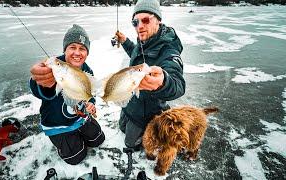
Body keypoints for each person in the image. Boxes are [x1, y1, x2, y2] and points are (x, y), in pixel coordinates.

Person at [115, 0, 185, 150]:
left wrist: (163, 81)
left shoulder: (168, 48)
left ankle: (159, 124)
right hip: (133, 101)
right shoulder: (144, 41)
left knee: (131, 144)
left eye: (146, 20)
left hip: (148, 109)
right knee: (122, 126)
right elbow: (136, 53)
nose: (140, 26)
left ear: (158, 21)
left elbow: (177, 83)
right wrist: (125, 41)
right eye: (135, 22)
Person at [29, 24, 105, 165]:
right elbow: (39, 87)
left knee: (98, 139)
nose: (77, 53)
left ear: (87, 53)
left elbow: (89, 93)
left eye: (82, 48)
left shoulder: (87, 70)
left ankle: (78, 132)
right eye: (72, 47)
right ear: (65, 49)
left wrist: (91, 103)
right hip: (58, 125)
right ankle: (64, 141)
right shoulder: (55, 66)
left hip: (79, 118)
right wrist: (42, 82)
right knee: (76, 157)